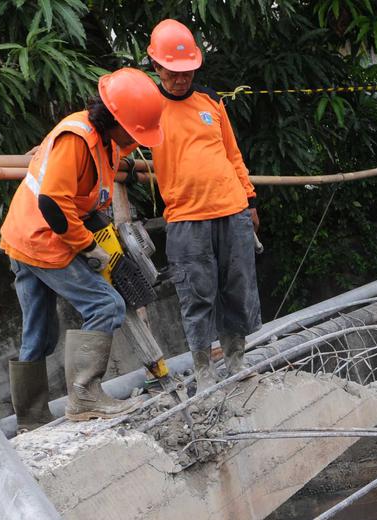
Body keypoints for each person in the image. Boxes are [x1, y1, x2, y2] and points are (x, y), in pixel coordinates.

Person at [1, 68, 165, 429]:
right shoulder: (76, 140)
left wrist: (125, 163)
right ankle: (85, 397)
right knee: (107, 305)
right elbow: (52, 205)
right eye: (134, 132)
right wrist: (89, 247)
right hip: (44, 237)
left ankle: (30, 420)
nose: (137, 140)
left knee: (38, 333)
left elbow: (90, 185)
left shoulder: (103, 141)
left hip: (25, 237)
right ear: (117, 120)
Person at [147, 18, 262, 391]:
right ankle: (204, 371)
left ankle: (236, 361)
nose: (181, 78)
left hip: (232, 209)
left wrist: (250, 199)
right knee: (196, 296)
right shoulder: (148, 108)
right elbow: (115, 144)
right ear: (157, 66)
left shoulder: (210, 101)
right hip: (187, 218)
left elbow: (233, 154)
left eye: (187, 71)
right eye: (173, 71)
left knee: (238, 289)